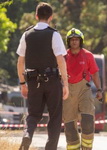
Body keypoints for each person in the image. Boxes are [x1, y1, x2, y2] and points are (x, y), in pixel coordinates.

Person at [16, 2, 69, 150]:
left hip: (33, 81)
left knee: (33, 114)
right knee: (55, 116)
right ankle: (50, 148)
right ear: (51, 17)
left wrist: (22, 84)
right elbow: (61, 60)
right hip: (52, 81)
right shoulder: (54, 34)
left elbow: (20, 61)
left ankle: (28, 135)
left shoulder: (26, 34)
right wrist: (65, 84)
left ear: (36, 15)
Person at [63, 28, 103, 150]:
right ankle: (73, 147)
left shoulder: (88, 55)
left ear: (81, 41)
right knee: (69, 125)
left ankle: (87, 148)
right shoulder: (63, 56)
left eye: (77, 40)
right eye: (72, 40)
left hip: (84, 90)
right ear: (68, 42)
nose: (74, 42)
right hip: (67, 91)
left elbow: (95, 73)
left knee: (87, 120)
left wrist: (99, 90)